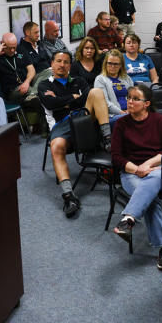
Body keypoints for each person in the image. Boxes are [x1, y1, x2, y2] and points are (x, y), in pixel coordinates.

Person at [38, 51, 116, 218]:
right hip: (62, 124)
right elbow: (50, 103)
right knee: (56, 145)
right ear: (52, 63)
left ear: (70, 65)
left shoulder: (79, 81)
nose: (62, 65)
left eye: (66, 62)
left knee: (96, 92)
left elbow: (88, 99)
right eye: (58, 61)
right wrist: (73, 98)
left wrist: (63, 101)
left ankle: (108, 140)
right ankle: (69, 196)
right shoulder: (44, 85)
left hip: (83, 118)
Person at [110, 84, 162, 267]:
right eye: (128, 97)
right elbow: (116, 156)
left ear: (146, 103)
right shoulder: (121, 124)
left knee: (153, 181)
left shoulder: (158, 120)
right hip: (131, 173)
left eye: (135, 98)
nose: (130, 101)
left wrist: (148, 164)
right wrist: (137, 169)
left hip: (156, 170)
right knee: (149, 197)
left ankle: (128, 219)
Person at [0, 32, 39, 111]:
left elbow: (31, 70)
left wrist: (27, 82)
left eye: (14, 47)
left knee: (49, 73)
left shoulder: (20, 50)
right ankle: (39, 93)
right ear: (2, 44)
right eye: (9, 48)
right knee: (39, 95)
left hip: (27, 84)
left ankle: (38, 93)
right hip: (13, 91)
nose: (12, 50)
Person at [93, 49, 132, 123]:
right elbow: (105, 103)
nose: (112, 66)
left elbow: (133, 97)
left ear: (121, 65)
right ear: (105, 63)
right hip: (111, 115)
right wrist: (122, 113)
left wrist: (130, 110)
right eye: (110, 63)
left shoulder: (126, 78)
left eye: (116, 64)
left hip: (129, 112)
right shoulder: (100, 79)